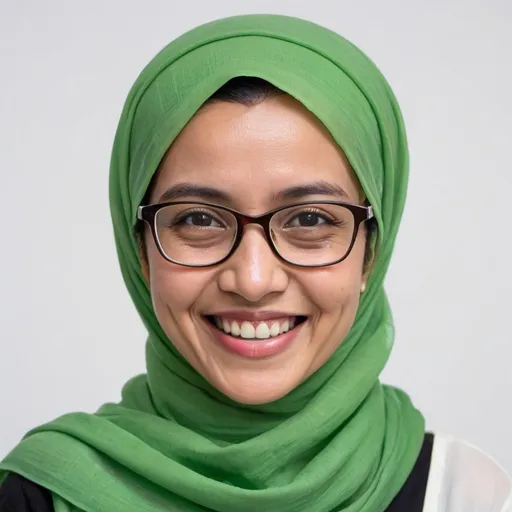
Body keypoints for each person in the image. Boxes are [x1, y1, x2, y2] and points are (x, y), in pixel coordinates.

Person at [0, 13, 510, 512]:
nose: (253, 280)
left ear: (371, 251)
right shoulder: (39, 496)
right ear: (140, 249)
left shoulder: (463, 495)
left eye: (310, 219)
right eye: (199, 219)